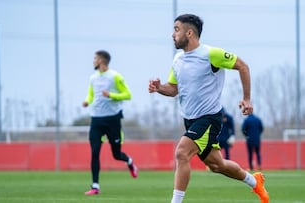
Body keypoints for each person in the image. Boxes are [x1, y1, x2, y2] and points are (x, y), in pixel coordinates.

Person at [148, 14, 269, 203]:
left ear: (189, 33)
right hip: (190, 120)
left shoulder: (211, 54)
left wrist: (246, 98)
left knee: (181, 153)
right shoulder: (178, 60)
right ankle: (255, 181)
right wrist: (159, 88)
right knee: (217, 165)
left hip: (209, 118)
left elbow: (243, 66)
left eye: (176, 30)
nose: (172, 34)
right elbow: (173, 89)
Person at [82, 50, 138, 195]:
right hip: (96, 119)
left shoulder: (115, 76)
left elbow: (128, 94)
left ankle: (129, 161)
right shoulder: (93, 78)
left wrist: (111, 95)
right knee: (95, 152)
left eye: (95, 58)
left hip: (112, 119)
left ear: (101, 60)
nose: (93, 61)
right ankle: (95, 186)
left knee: (116, 154)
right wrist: (87, 101)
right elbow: (91, 94)